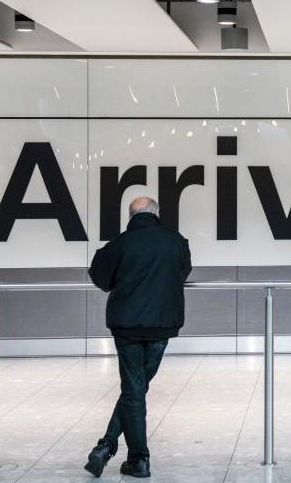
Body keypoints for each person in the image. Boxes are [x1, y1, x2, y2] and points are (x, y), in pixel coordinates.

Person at [84, 197, 192, 479]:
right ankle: (122, 453)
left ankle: (120, 451)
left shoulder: (119, 244)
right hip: (162, 325)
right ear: (157, 213)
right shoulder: (176, 242)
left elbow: (100, 279)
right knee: (136, 389)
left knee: (134, 389)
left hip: (127, 327)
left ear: (130, 216)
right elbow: (182, 272)